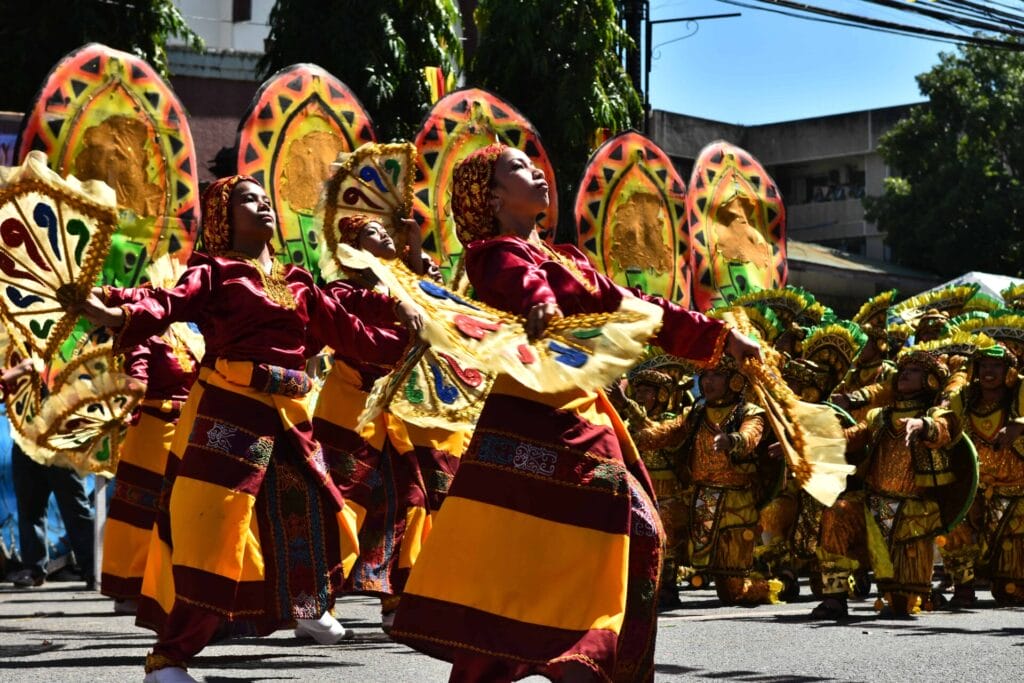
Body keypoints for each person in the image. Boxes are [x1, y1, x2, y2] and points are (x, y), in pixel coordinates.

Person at [389, 143, 761, 682]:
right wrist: (538, 300)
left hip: (583, 417)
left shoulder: (572, 259)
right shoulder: (493, 252)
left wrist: (720, 337)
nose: (537, 170)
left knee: (628, 536)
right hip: (531, 419)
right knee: (531, 565)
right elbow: (517, 278)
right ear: (490, 197)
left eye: (534, 162)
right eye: (517, 168)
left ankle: (590, 658)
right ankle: (583, 657)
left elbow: (638, 308)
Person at [74, 175, 413, 683]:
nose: (262, 205)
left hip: (288, 418)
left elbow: (353, 334)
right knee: (216, 536)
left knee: (322, 514)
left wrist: (406, 324)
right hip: (229, 413)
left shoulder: (298, 280)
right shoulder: (215, 271)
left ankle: (306, 606)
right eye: (246, 200)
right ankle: (168, 660)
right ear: (222, 219)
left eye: (262, 197)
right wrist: (115, 309)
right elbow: (164, 302)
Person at [313, 213, 466, 633]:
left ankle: (397, 600)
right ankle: (316, 601)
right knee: (344, 501)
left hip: (399, 413)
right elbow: (358, 317)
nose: (383, 235)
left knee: (410, 500)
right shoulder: (342, 290)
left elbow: (437, 306)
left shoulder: (400, 284)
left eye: (384, 231)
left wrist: (415, 249)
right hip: (352, 405)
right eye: (371, 233)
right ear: (351, 249)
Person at [810, 350, 960, 619]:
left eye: (914, 371)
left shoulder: (935, 413)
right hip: (871, 505)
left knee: (902, 604)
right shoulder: (879, 416)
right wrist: (802, 442)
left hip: (913, 513)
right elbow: (848, 438)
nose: (904, 374)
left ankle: (929, 594)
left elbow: (944, 429)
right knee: (837, 511)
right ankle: (834, 597)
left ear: (931, 381)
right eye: (903, 369)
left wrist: (923, 425)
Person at [99, 315, 201, 614]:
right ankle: (131, 587)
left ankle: (170, 585)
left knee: (179, 508)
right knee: (144, 510)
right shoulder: (144, 338)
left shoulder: (185, 334)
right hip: (152, 433)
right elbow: (137, 377)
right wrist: (130, 397)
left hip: (184, 431)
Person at [941, 343, 1024, 606]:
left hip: (1016, 491)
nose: (989, 372)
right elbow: (945, 422)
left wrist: (1020, 425)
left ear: (1009, 370)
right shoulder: (963, 398)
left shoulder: (1021, 392)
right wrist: (932, 420)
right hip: (973, 488)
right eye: (984, 365)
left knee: (1009, 593)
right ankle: (962, 586)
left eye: (996, 366)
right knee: (953, 520)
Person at [2, 359, 96, 590]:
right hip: (25, 439)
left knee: (75, 508)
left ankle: (92, 568)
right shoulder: (15, 351)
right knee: (30, 507)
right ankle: (33, 569)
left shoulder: (66, 348)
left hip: (60, 441)